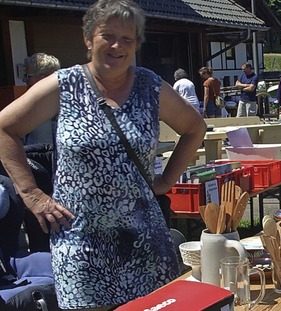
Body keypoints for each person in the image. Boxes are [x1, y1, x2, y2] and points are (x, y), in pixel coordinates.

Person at [0, 0, 206, 309]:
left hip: (144, 244)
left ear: (136, 44)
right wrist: (31, 193)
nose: (116, 45)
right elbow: (5, 128)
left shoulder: (151, 87)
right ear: (88, 38)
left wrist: (166, 180)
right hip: (81, 245)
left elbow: (194, 127)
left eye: (127, 39)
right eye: (107, 35)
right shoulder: (63, 85)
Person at [22, 53, 61, 146]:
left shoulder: (72, 101)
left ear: (44, 78)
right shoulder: (25, 104)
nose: (24, 80)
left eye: (28, 76)